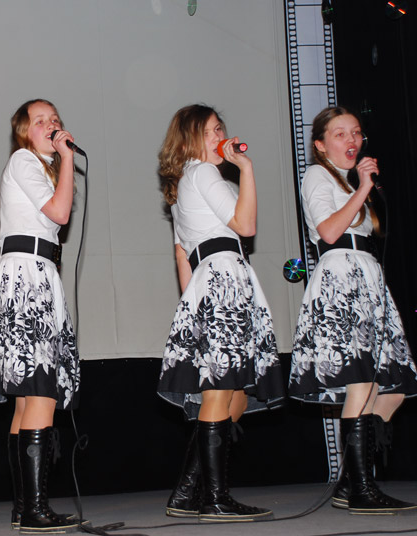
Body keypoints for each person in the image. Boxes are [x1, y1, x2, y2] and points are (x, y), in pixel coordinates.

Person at [157, 104, 284, 521]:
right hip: (223, 277)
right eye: (211, 130)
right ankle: (215, 497)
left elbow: (181, 254)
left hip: (211, 282)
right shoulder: (204, 173)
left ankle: (187, 492)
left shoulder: (186, 184)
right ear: (191, 139)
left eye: (220, 128)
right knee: (219, 390)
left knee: (236, 395)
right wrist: (246, 168)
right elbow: (246, 227)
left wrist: (192, 303)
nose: (220, 136)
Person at [289, 106, 417, 514]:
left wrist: (359, 187)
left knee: (392, 387)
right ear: (320, 145)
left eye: (356, 132)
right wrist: (363, 187)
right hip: (341, 276)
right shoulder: (317, 176)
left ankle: (350, 481)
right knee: (361, 382)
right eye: (340, 133)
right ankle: (361, 487)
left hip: (367, 276)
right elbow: (328, 231)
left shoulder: (347, 182)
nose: (352, 140)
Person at [0, 99, 82, 533]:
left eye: (55, 119)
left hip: (37, 274)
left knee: (26, 397)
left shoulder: (41, 168)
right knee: (39, 391)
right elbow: (60, 213)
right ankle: (35, 509)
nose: (51, 125)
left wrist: (63, 163)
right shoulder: (23, 160)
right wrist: (68, 158)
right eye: (40, 121)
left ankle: (24, 507)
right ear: (24, 132)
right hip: (26, 278)